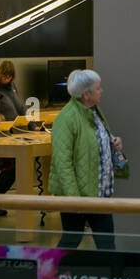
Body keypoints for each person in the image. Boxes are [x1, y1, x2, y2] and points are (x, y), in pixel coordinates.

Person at [49, 69, 123, 250]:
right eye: (98, 88)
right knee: (71, 241)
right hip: (78, 197)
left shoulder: (94, 111)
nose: (102, 91)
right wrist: (75, 200)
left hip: (99, 193)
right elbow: (62, 162)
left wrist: (112, 142)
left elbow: (94, 140)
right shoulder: (66, 118)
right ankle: (51, 275)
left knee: (107, 243)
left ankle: (112, 278)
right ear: (86, 94)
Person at [0, 59, 27, 209]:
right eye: (5, 77)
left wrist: (32, 125)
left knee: (16, 167)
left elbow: (21, 107)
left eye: (10, 77)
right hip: (1, 134)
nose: (7, 79)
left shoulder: (12, 86)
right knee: (10, 169)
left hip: (15, 133)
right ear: (0, 75)